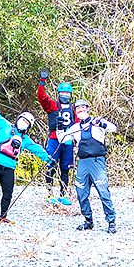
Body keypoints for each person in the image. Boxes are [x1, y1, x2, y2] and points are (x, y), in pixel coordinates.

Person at [0, 92, 55, 224]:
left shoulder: (25, 140)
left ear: (29, 127)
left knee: (8, 193)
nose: (23, 123)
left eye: (27, 123)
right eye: (23, 120)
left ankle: (3, 217)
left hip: (9, 167)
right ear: (18, 119)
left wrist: (48, 159)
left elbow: (38, 149)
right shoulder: (5, 125)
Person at [58, 99, 118, 234]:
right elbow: (62, 139)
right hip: (83, 163)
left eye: (83, 107)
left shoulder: (97, 121)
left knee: (103, 192)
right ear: (75, 111)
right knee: (81, 193)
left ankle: (111, 221)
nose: (81, 110)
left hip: (97, 162)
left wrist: (101, 124)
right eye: (78, 108)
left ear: (88, 109)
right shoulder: (75, 127)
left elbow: (114, 128)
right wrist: (59, 126)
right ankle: (88, 221)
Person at [37, 69, 79, 206]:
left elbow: (78, 124)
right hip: (54, 140)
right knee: (51, 166)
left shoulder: (74, 108)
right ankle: (49, 194)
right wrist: (42, 81)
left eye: (67, 93)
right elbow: (42, 97)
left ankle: (63, 194)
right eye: (62, 93)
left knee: (65, 169)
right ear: (58, 94)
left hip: (68, 142)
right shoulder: (53, 105)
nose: (65, 95)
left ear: (71, 95)